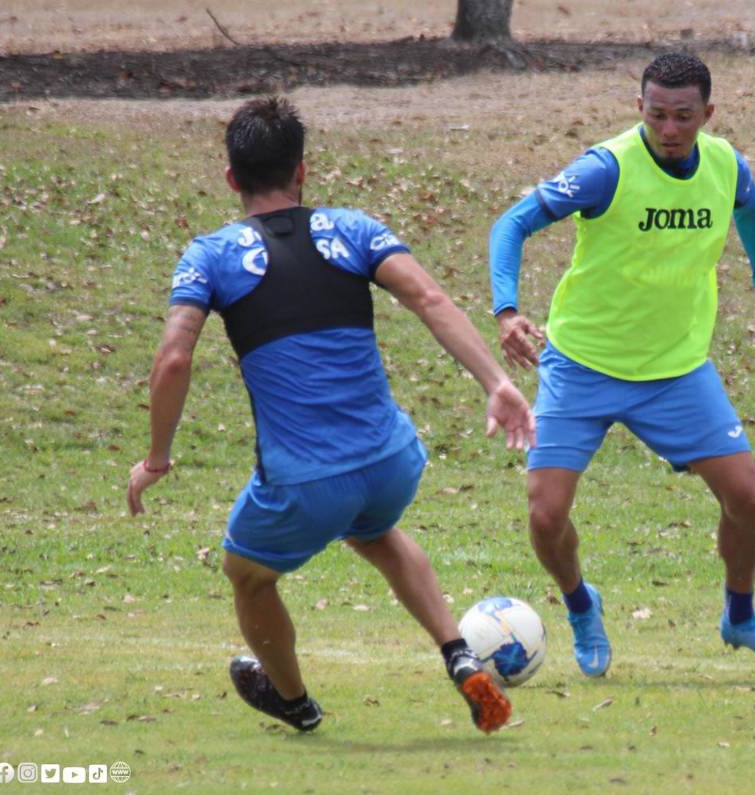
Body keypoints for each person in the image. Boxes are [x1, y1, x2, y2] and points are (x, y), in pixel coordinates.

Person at [127, 97, 536, 734]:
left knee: (247, 574)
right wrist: (498, 383)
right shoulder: (354, 230)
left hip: (305, 481)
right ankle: (460, 656)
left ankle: (294, 702)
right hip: (391, 461)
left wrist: (156, 458)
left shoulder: (210, 256)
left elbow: (174, 358)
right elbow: (428, 298)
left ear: (232, 179)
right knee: (374, 532)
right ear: (302, 172)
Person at [489, 52, 755, 677]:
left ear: (707, 115)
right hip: (581, 367)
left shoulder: (724, 166)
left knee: (748, 497)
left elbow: (753, 213)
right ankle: (582, 605)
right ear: (639, 109)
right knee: (545, 515)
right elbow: (513, 222)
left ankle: (740, 617)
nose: (668, 129)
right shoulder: (605, 169)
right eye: (656, 114)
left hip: (676, 372)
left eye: (683, 117)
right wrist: (507, 311)